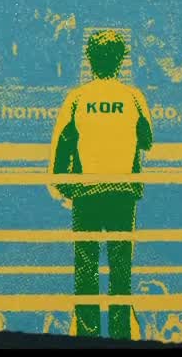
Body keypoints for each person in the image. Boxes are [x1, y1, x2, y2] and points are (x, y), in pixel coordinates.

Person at [48, 30, 154, 339]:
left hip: (87, 194)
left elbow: (62, 149)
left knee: (86, 268)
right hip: (122, 192)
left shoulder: (77, 98)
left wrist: (66, 189)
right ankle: (120, 334)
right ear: (121, 61)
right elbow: (147, 141)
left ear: (90, 60)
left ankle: (88, 334)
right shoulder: (134, 97)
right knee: (121, 269)